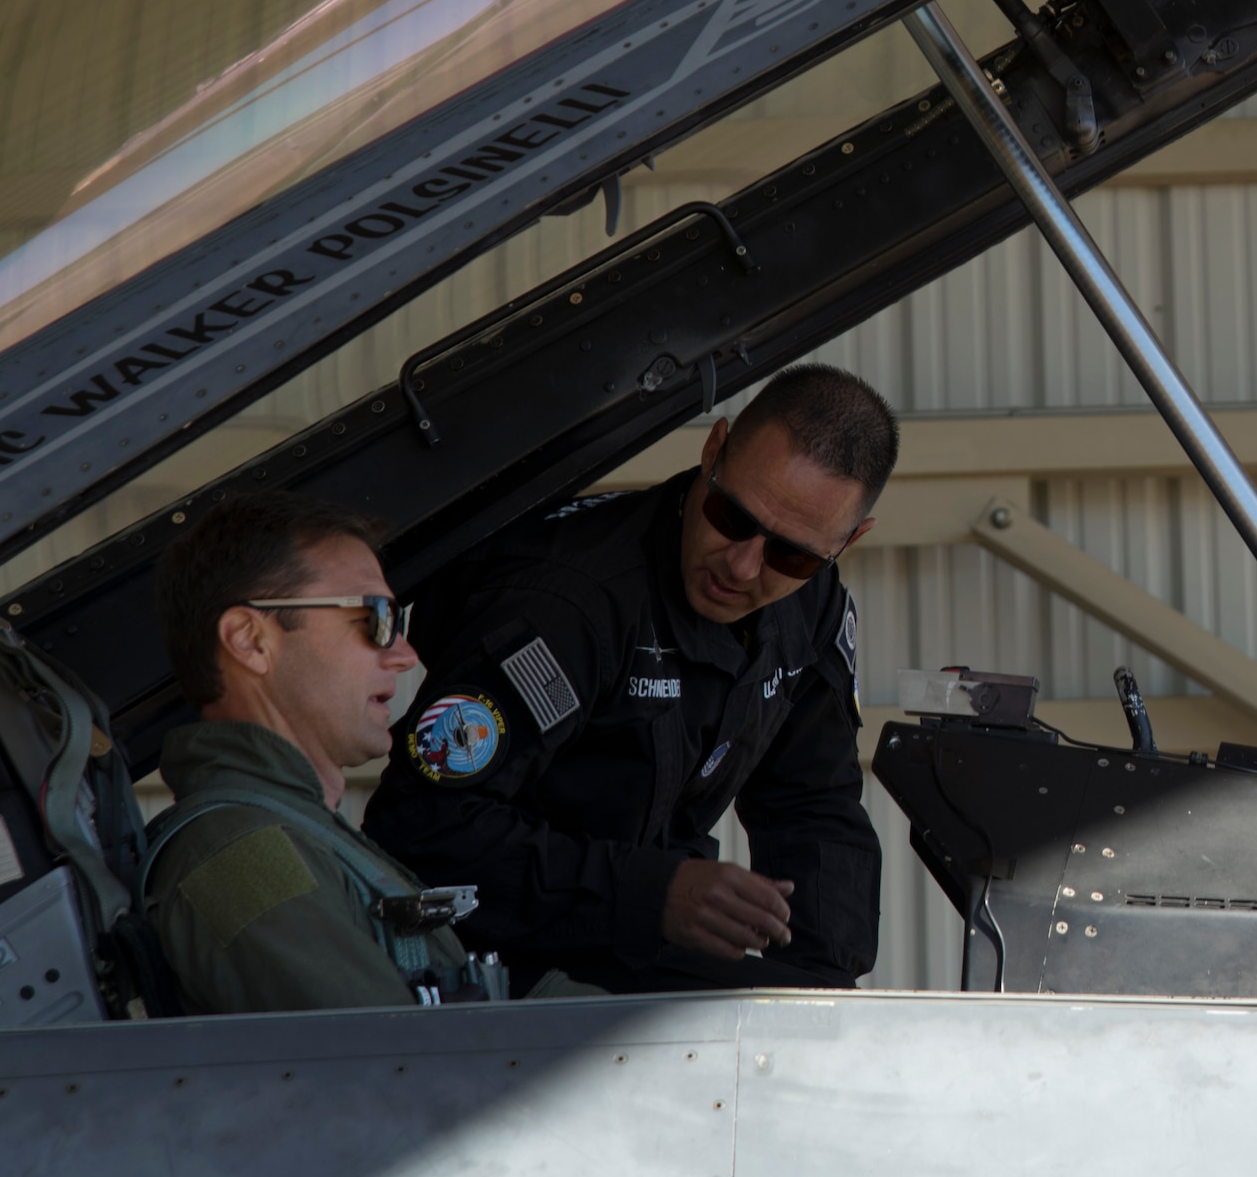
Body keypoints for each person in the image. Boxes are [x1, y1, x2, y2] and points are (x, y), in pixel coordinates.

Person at [362, 364, 893, 995]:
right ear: (713, 449)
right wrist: (648, 892)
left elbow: (813, 803)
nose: (745, 566)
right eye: (731, 516)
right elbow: (419, 826)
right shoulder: (568, 606)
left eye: (793, 554)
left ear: (848, 541)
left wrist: (823, 999)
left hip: (644, 948)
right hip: (494, 967)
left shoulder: (813, 603)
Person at [144, 491, 589, 1013]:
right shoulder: (238, 858)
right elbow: (400, 1068)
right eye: (375, 618)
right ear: (250, 641)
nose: (403, 654)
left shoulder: (300, 833)